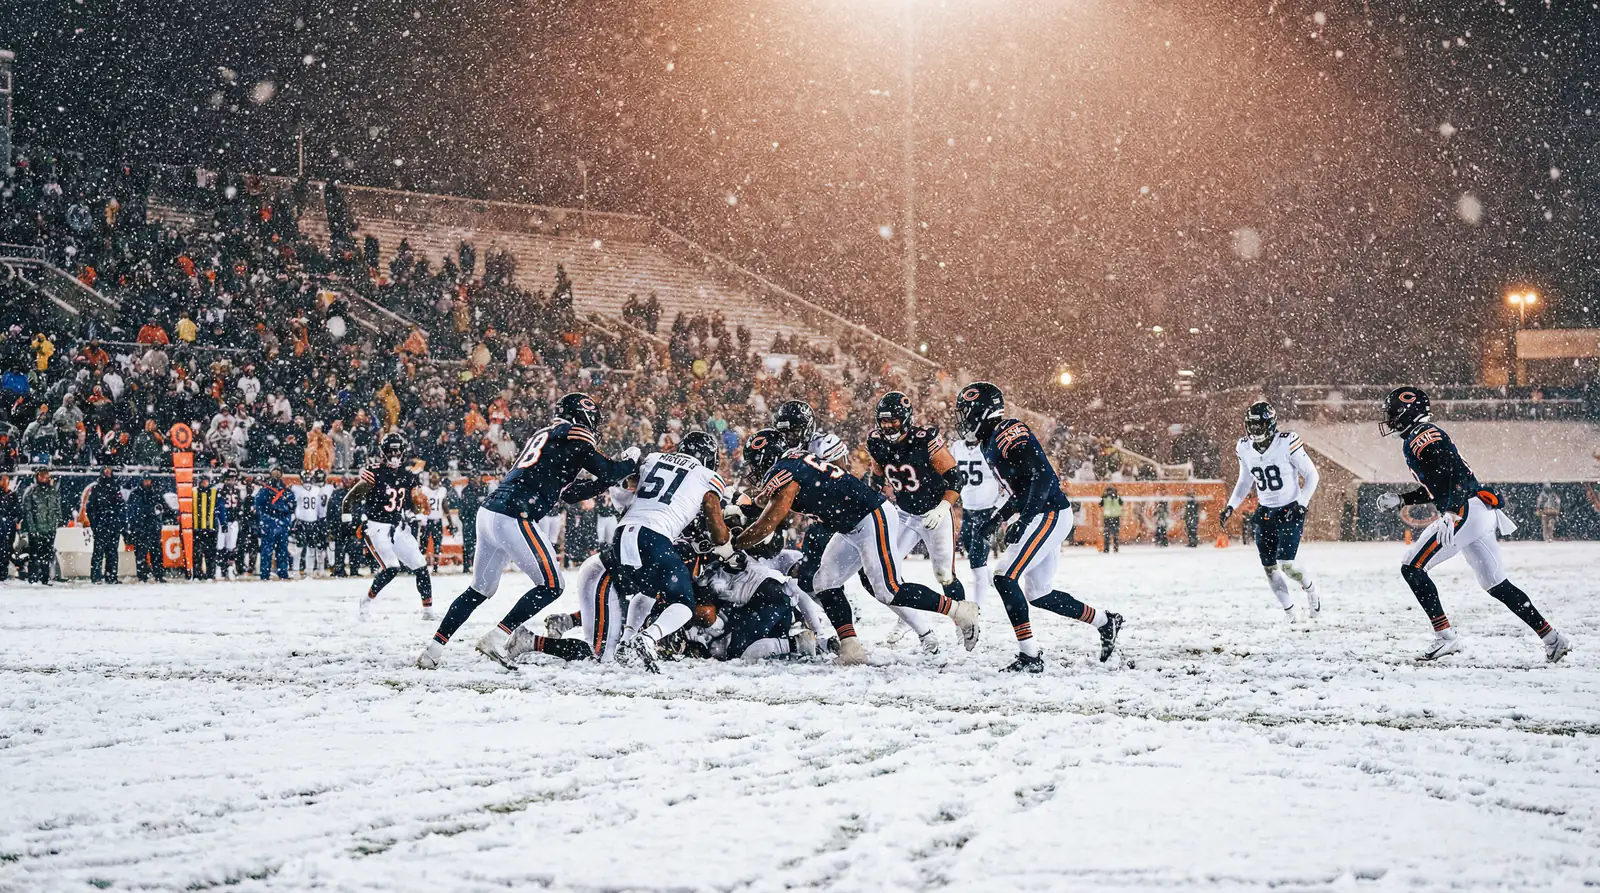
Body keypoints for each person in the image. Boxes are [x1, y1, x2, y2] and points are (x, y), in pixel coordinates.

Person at [420, 394, 638, 669]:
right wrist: (631, 462)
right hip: (514, 513)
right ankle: (498, 636)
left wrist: (606, 482)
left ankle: (433, 650)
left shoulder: (549, 435)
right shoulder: (573, 434)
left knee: (479, 589)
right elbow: (608, 470)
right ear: (582, 416)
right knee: (552, 585)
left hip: (491, 512)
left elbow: (571, 494)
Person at [736, 427, 980, 666]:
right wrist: (742, 508)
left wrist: (734, 545)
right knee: (824, 582)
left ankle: (959, 610)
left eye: (754, 463)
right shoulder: (792, 462)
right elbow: (765, 501)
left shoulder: (784, 471)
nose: (754, 470)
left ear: (765, 457)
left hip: (871, 517)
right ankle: (851, 648)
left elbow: (767, 524)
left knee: (888, 590)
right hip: (851, 524)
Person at [1376, 387, 1571, 663]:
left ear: (1408, 412)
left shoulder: (1421, 435)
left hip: (1465, 510)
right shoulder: (1420, 435)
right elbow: (1439, 484)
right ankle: (1553, 639)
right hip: (1478, 510)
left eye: (1394, 413)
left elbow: (1453, 471)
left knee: (1412, 567)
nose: (1390, 419)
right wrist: (1403, 499)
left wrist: (1452, 512)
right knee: (1496, 583)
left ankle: (1445, 637)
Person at [954, 382, 1122, 672]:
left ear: (983, 411)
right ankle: (1106, 622)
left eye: (967, 412)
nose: (964, 419)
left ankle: (1030, 656)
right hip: (1041, 512)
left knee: (1004, 577)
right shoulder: (987, 442)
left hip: (1049, 513)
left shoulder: (1008, 431)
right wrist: (998, 518)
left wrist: (1024, 520)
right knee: (1039, 594)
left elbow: (1043, 478)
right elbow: (1021, 490)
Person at [607, 431, 734, 671]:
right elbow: (716, 526)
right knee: (684, 603)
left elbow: (628, 488)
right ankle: (648, 638)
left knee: (648, 590)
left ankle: (626, 641)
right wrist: (724, 540)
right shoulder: (708, 475)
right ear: (710, 457)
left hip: (622, 533)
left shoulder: (653, 458)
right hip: (653, 535)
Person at [1218, 401, 1322, 622]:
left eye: (1260, 425)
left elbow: (1312, 475)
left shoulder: (1286, 442)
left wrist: (1302, 503)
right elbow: (1245, 480)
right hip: (1265, 512)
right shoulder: (1244, 447)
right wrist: (1231, 506)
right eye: (1252, 425)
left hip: (1289, 510)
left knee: (1287, 564)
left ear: (1271, 424)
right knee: (1269, 567)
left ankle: (1311, 590)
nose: (1255, 430)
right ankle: (1290, 614)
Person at [865, 391, 966, 604]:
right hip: (904, 514)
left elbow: (956, 479)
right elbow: (876, 479)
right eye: (883, 421)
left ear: (906, 419)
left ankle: (964, 618)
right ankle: (910, 617)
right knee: (885, 569)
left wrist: (941, 509)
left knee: (944, 575)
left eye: (893, 421)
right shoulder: (877, 442)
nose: (888, 426)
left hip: (934, 511)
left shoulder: (924, 439)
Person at [344, 433, 434, 616]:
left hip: (398, 527)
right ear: (383, 452)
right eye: (390, 451)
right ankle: (367, 599)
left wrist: (417, 510)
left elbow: (411, 504)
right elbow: (349, 499)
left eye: (397, 451)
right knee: (392, 567)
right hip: (376, 527)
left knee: (421, 565)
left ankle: (428, 611)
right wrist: (347, 523)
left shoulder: (407, 475)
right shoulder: (375, 473)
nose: (394, 455)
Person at [950, 427, 1004, 608]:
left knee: (976, 560)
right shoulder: (957, 447)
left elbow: (1005, 479)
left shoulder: (990, 447)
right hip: (968, 509)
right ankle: (991, 579)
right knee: (970, 551)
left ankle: (977, 608)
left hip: (988, 510)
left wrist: (1000, 506)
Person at [84, 466, 126, 583]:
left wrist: (119, 523)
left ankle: (111, 576)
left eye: (109, 471)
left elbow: (121, 507)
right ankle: (96, 577)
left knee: (112, 553)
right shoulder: (97, 489)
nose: (108, 473)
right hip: (101, 526)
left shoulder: (116, 488)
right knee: (98, 553)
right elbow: (90, 508)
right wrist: (95, 525)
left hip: (113, 526)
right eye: (105, 471)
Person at [21, 468, 62, 585]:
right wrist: (32, 529)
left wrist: (56, 523)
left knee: (47, 556)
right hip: (37, 530)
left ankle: (45, 578)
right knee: (34, 556)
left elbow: (57, 509)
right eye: (42, 475)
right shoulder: (31, 492)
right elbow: (28, 513)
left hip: (50, 529)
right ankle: (33, 579)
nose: (45, 477)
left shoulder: (53, 492)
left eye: (46, 474)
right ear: (37, 477)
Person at [125, 473, 168, 582]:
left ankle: (158, 575)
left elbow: (164, 507)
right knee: (141, 554)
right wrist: (151, 510)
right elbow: (133, 511)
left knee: (157, 554)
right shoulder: (135, 494)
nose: (148, 483)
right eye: (145, 480)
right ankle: (142, 576)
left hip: (154, 529)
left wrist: (161, 510)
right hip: (141, 529)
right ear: (141, 481)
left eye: (149, 480)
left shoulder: (156, 493)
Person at [254, 468, 294, 581]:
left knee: (282, 551)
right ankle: (265, 574)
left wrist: (284, 517)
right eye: (274, 474)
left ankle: (283, 573)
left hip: (281, 525)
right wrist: (267, 520)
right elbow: (258, 507)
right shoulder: (264, 491)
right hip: (269, 525)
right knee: (267, 551)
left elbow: (292, 505)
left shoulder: (286, 490)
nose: (276, 476)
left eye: (278, 474)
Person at [290, 471, 324, 577]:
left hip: (311, 521)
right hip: (303, 521)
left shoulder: (299, 489)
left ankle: (307, 570)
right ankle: (298, 570)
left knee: (310, 548)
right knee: (301, 548)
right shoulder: (297, 489)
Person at [417, 471, 452, 574]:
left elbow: (445, 506)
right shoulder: (424, 490)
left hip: (437, 520)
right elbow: (420, 504)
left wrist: (450, 521)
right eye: (433, 477)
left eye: (436, 477)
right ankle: (421, 567)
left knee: (437, 544)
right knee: (423, 544)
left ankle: (435, 567)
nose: (434, 479)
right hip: (427, 520)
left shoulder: (442, 490)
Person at [193, 474, 226, 581]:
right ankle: (197, 574)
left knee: (211, 553)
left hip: (211, 528)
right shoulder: (193, 492)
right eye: (203, 482)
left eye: (206, 481)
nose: (205, 484)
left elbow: (221, 509)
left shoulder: (214, 493)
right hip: (197, 528)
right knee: (197, 553)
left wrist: (223, 522)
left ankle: (210, 574)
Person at [0, 476, 21, 581]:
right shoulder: (10, 495)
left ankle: (3, 572)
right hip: (5, 525)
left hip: (8, 526)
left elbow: (18, 511)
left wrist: (15, 521)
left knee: (7, 549)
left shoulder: (12, 495)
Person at [1099, 486, 1123, 553]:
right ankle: (1112, 549)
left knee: (1110, 535)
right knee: (1112, 535)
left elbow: (1100, 504)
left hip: (1110, 517)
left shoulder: (1115, 497)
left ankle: (1109, 549)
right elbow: (1100, 504)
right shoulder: (1115, 497)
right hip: (1113, 517)